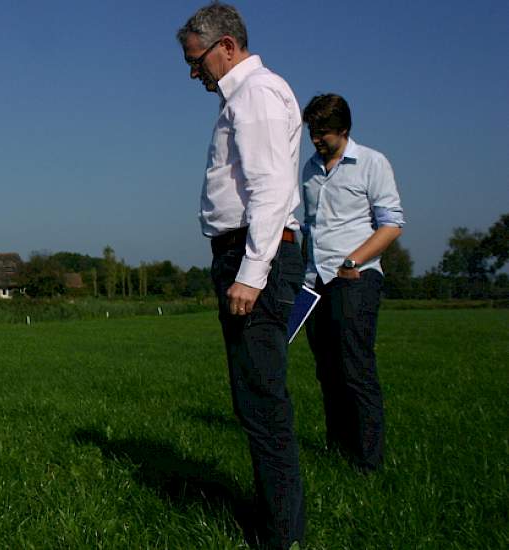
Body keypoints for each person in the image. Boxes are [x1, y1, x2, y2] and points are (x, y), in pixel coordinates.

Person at [178, 3, 305, 547]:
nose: (196, 74)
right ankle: (272, 517)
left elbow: (271, 190)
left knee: (262, 396)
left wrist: (251, 273)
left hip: (257, 256)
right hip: (246, 253)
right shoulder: (246, 96)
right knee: (253, 396)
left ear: (226, 46)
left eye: (197, 61)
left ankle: (281, 534)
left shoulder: (254, 95)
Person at [301, 93, 405, 472]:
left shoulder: (372, 163)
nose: (316, 139)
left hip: (355, 278)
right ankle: (338, 449)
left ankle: (368, 461)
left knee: (355, 368)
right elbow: (312, 225)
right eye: (312, 130)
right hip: (316, 281)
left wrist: (353, 261)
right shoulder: (309, 169)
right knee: (326, 369)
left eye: (323, 132)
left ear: (344, 130)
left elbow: (391, 224)